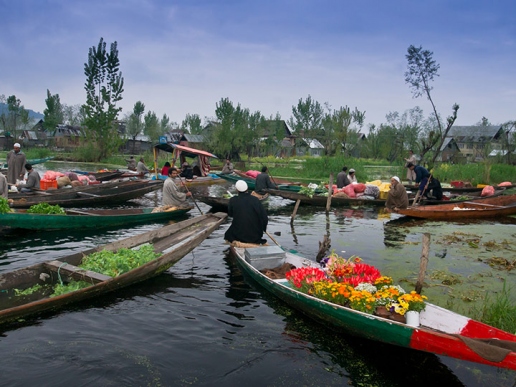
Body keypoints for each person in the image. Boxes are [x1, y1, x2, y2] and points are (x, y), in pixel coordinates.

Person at [224, 180, 269, 245]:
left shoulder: (233, 200)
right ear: (247, 189)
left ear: (237, 190)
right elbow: (264, 218)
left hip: (238, 234)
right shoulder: (255, 200)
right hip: (255, 236)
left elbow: (231, 214)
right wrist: (263, 229)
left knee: (228, 235)